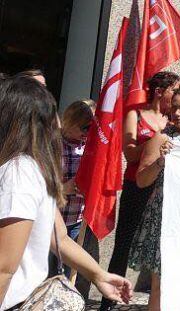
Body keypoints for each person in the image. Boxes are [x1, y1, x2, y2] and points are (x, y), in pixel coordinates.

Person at [0, 76, 132, 311]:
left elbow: (4, 267)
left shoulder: (18, 172)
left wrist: (98, 275)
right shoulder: (30, 167)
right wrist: (98, 274)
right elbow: (58, 236)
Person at [101, 71, 179, 310]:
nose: (176, 95)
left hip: (163, 189)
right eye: (174, 90)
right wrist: (157, 142)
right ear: (160, 91)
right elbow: (130, 152)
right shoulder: (136, 115)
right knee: (124, 242)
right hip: (137, 185)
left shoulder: (172, 120)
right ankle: (109, 301)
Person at [128, 87, 180, 311]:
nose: (177, 113)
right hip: (165, 219)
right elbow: (142, 180)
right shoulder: (161, 139)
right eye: (174, 107)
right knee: (161, 284)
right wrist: (160, 161)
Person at [57, 99, 101, 294]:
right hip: (54, 219)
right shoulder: (52, 144)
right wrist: (62, 188)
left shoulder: (89, 147)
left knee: (67, 275)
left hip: (76, 219)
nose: (87, 133)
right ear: (71, 121)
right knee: (49, 273)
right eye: (85, 128)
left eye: (92, 129)